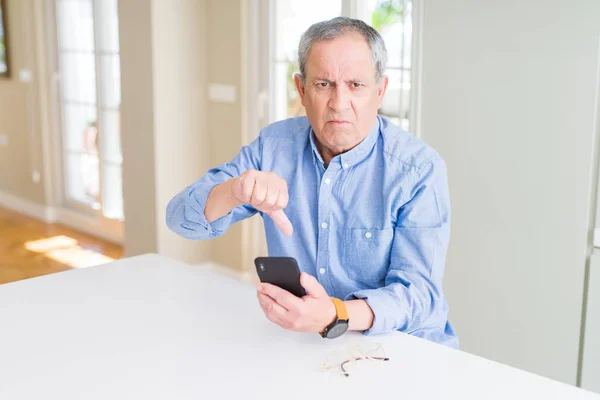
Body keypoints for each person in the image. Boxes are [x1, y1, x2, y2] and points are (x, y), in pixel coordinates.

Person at [166, 17, 458, 348]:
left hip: (404, 348)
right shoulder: (273, 147)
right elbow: (179, 219)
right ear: (302, 90)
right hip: (308, 346)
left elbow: (420, 297)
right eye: (323, 84)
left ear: (380, 91)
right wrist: (233, 191)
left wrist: (335, 314)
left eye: (356, 85)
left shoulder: (419, 169)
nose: (339, 103)